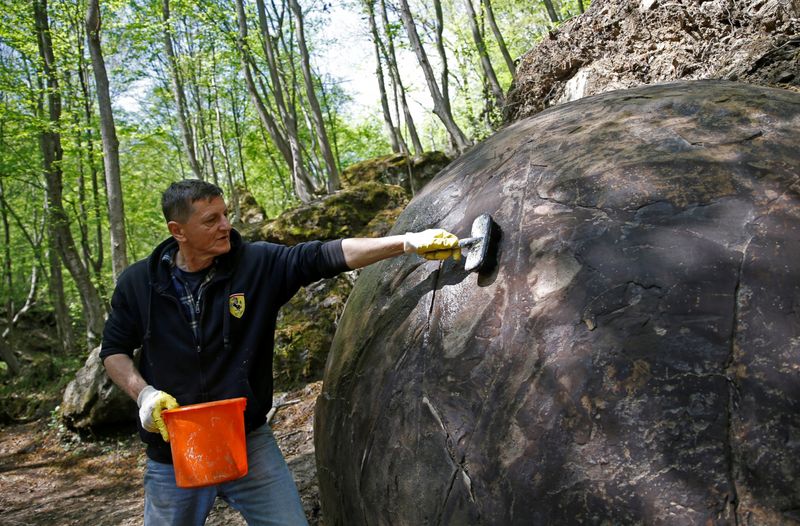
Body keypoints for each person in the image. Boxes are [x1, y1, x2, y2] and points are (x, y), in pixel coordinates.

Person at [100, 179, 460, 525]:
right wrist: (143, 394)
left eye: (226, 214)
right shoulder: (138, 284)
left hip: (248, 440)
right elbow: (113, 350)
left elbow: (325, 254)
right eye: (211, 220)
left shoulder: (256, 264)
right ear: (178, 231)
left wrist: (407, 243)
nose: (226, 225)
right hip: (173, 452)